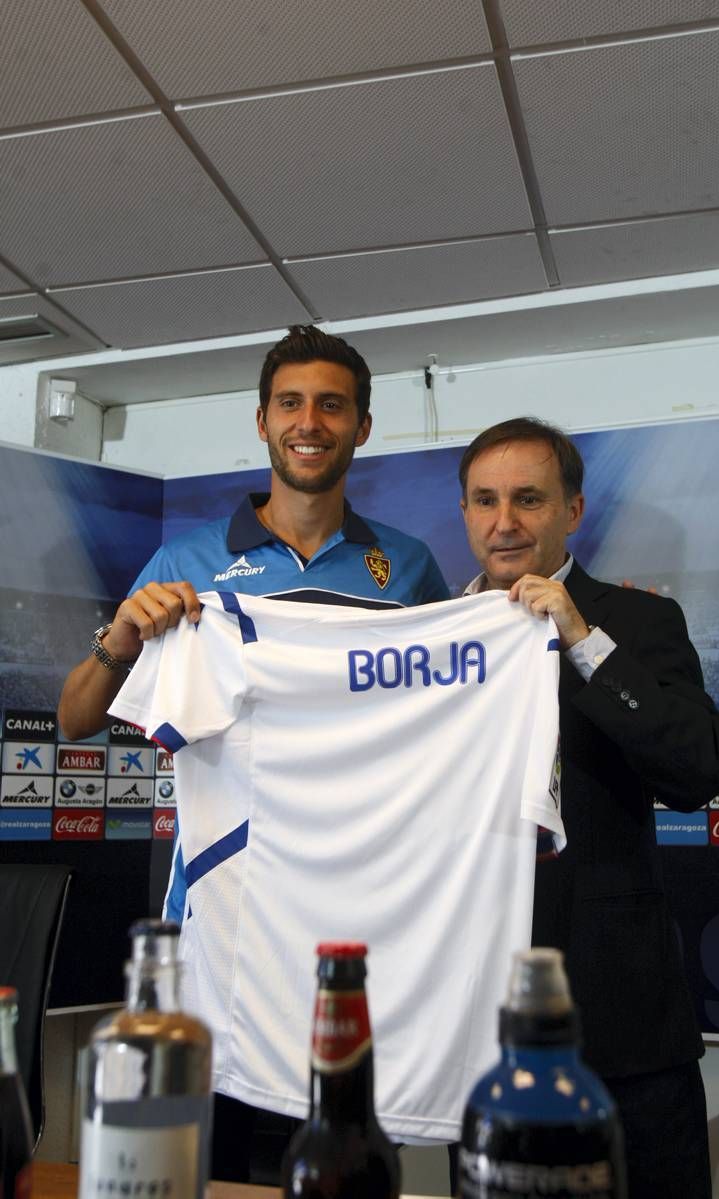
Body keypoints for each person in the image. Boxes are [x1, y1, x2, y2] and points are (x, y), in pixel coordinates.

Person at [57, 323, 449, 1181]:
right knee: (221, 1167)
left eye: (332, 406)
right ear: (263, 421)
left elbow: (449, 713)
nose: (310, 421)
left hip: (357, 916)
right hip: (226, 923)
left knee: (344, 1159)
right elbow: (76, 717)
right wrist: (122, 637)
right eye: (292, 404)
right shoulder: (188, 560)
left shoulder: (408, 569)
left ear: (362, 426)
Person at [456, 416, 719, 1199]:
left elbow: (702, 767)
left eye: (528, 498)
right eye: (484, 499)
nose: (503, 520)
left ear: (572, 511)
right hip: (479, 1016)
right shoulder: (429, 638)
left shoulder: (637, 622)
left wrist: (582, 638)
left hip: (624, 1022)